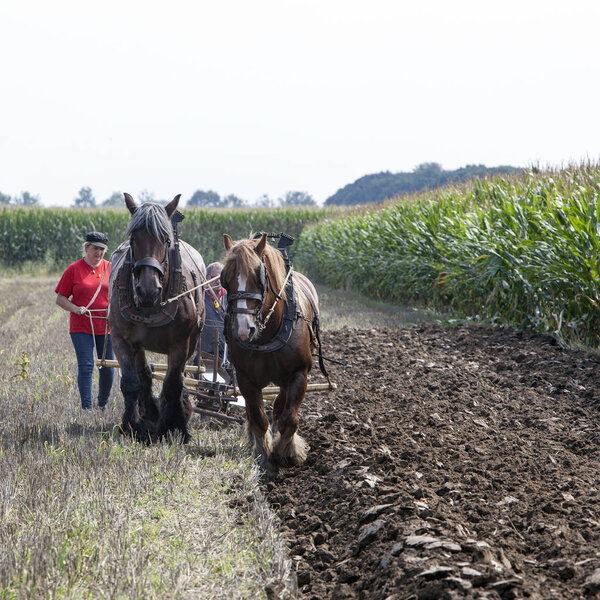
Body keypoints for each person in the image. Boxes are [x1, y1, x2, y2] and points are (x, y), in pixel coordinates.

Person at [55, 231, 114, 411]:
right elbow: (61, 298)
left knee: (108, 368)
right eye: (95, 248)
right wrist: (76, 309)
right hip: (81, 326)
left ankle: (102, 404)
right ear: (86, 248)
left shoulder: (111, 268)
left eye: (102, 249)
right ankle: (87, 408)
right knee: (87, 366)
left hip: (106, 326)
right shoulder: (74, 269)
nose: (99, 253)